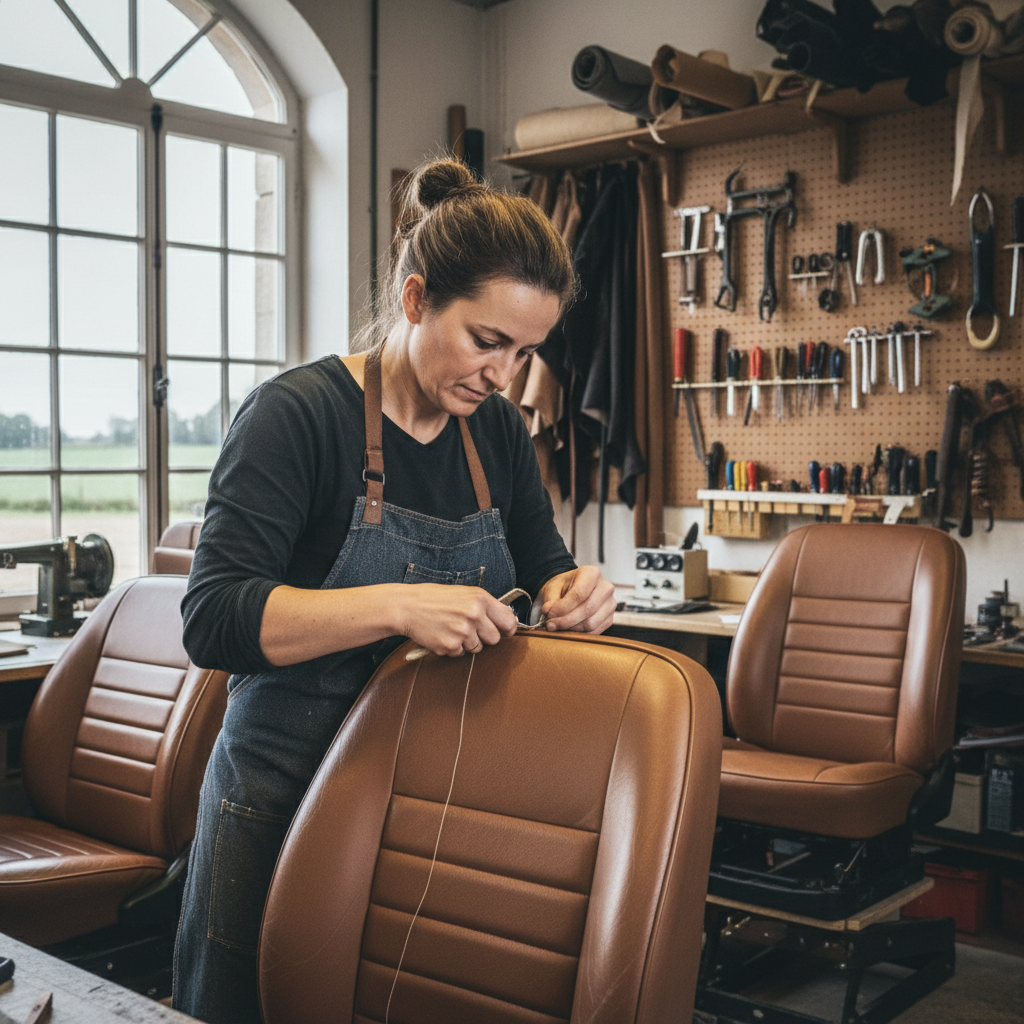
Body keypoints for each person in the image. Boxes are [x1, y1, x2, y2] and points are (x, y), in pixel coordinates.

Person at [172, 158, 617, 1024]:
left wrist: (577, 592)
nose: (504, 374)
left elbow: (544, 565)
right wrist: (396, 604)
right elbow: (213, 618)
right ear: (416, 301)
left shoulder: (496, 431)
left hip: (436, 799)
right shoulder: (295, 416)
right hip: (281, 790)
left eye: (525, 352)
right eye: (487, 341)